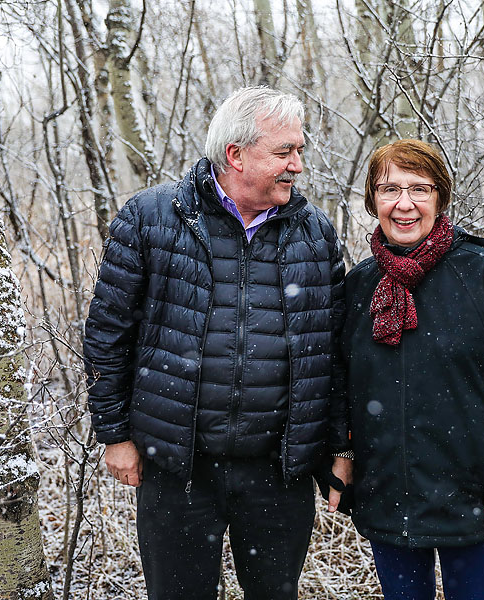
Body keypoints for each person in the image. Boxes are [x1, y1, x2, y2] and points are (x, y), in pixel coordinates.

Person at [83, 86, 350, 600]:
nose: (297, 165)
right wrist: (114, 434)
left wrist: (338, 444)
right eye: (284, 152)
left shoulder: (314, 233)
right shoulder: (152, 218)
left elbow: (331, 353)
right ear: (236, 155)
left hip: (278, 472)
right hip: (178, 469)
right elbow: (108, 333)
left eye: (300, 151)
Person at [339, 139, 484, 600]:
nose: (403, 204)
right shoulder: (360, 287)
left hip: (476, 503)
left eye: (419, 189)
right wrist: (343, 458)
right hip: (389, 500)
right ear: (371, 200)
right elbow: (342, 387)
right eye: (388, 189)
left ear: (441, 197)